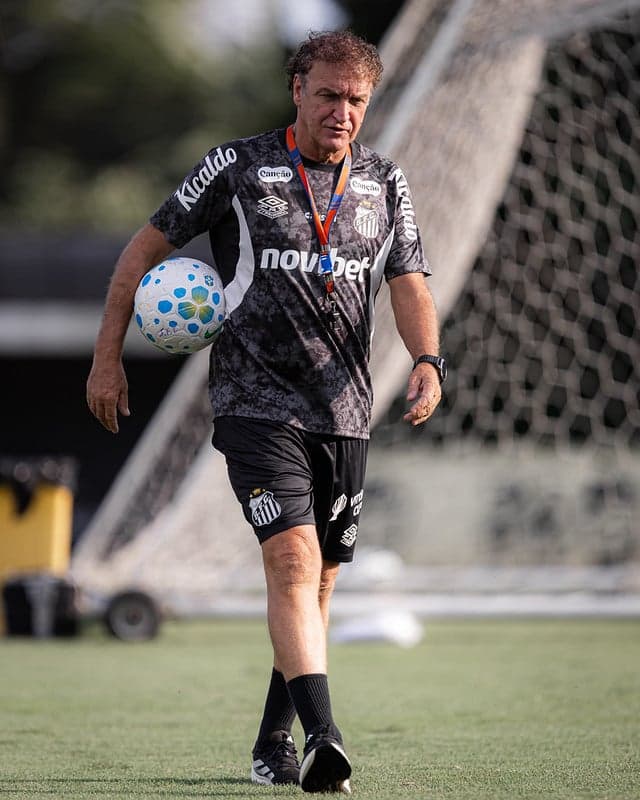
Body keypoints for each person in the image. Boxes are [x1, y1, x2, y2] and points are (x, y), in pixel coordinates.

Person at [87, 29, 444, 794]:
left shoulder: (385, 180)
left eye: (354, 99)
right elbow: (139, 251)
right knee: (291, 561)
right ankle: (326, 739)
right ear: (297, 91)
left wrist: (427, 359)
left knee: (318, 590)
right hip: (255, 403)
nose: (340, 111)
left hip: (345, 410)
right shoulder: (239, 166)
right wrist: (107, 356)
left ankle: (272, 744)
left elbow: (408, 280)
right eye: (326, 95)